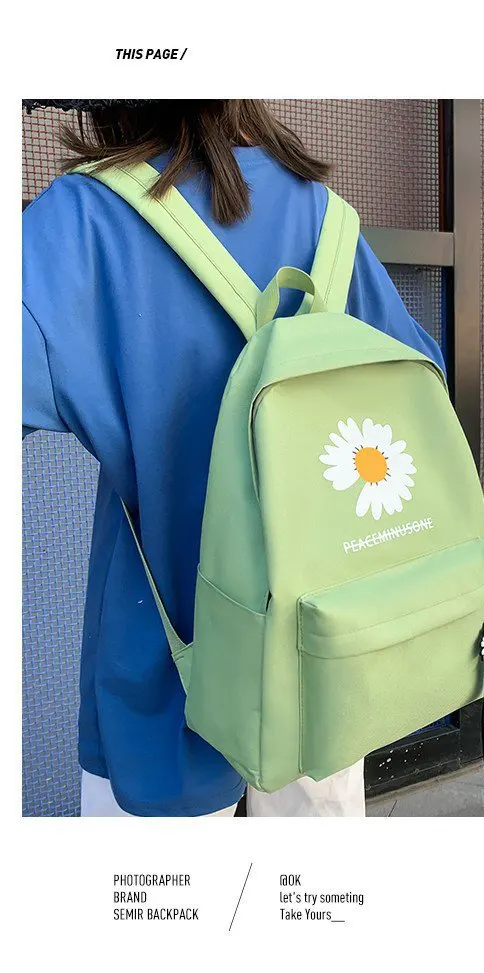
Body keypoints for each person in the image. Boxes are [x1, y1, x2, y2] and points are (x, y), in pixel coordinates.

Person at [22, 99, 446, 818]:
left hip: (170, 672)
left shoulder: (84, 222)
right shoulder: (325, 217)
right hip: (324, 657)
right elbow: (418, 389)